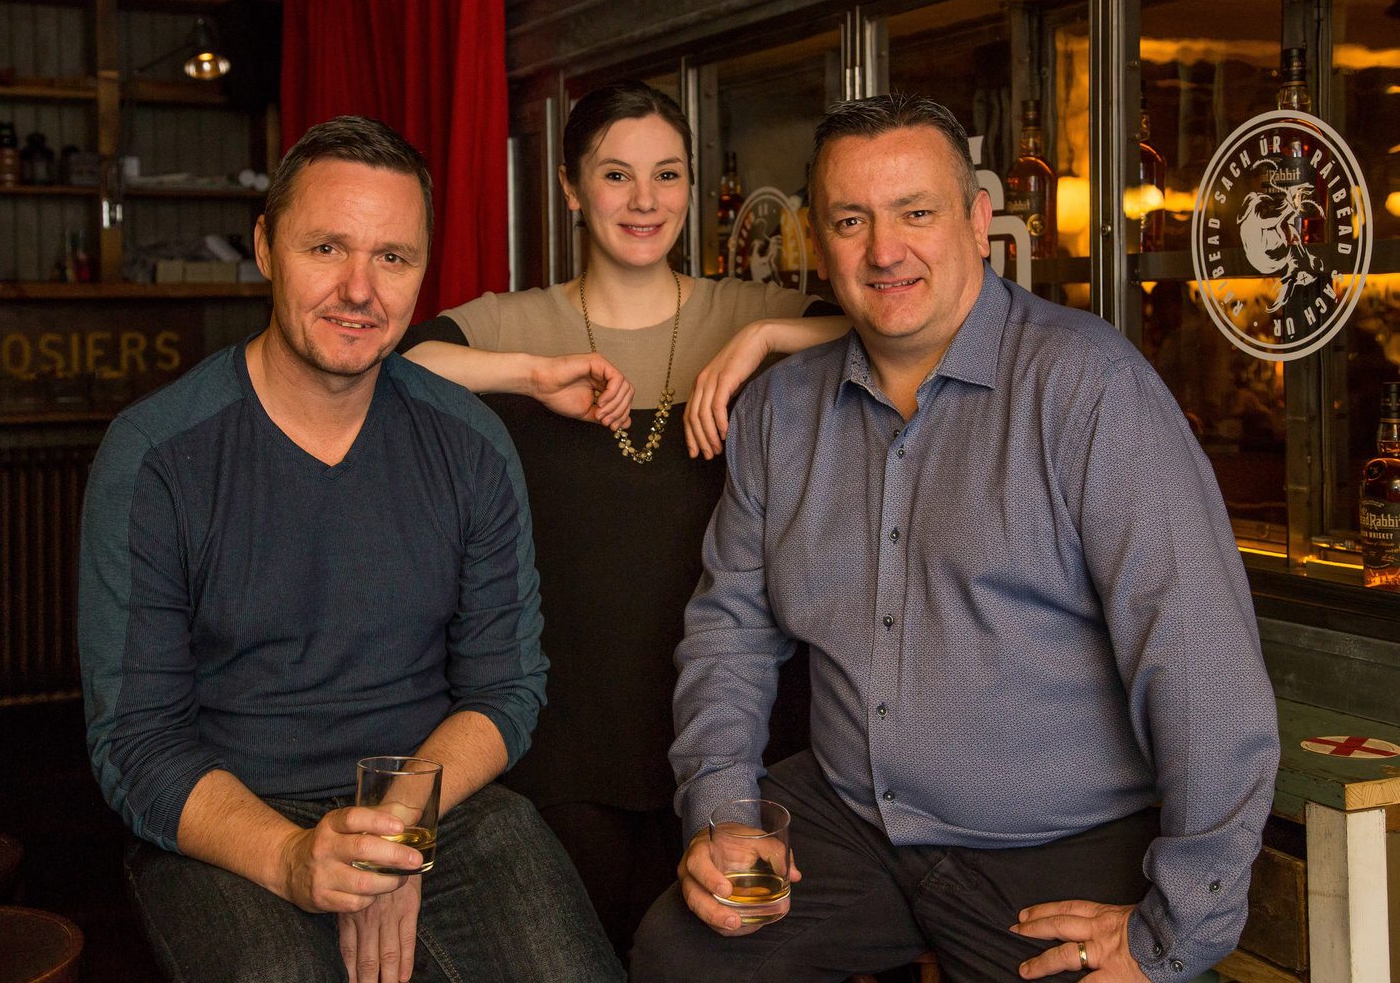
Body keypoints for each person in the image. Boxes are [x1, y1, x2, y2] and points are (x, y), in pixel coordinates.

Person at [631, 93, 1279, 983]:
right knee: (681, 955)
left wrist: (1175, 927)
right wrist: (722, 809)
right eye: (851, 220)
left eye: (916, 212)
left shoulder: (1089, 389)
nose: (885, 250)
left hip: (1056, 846)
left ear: (980, 222)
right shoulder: (783, 410)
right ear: (817, 244)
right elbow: (729, 632)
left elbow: (1199, 661)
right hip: (849, 827)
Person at [77, 115, 623, 983]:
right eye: (327, 248)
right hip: (236, 822)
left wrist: (397, 828)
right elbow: (137, 742)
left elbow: (507, 686)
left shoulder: (471, 445)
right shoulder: (155, 457)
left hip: (436, 807)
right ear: (265, 247)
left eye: (393, 258)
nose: (359, 289)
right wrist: (297, 859)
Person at [399, 80, 848, 958]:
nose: (646, 200)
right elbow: (399, 363)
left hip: (733, 729)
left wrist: (762, 342)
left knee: (719, 962)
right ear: (570, 188)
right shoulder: (514, 324)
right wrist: (530, 374)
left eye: (668, 174)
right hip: (568, 735)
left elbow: (899, 324)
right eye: (616, 174)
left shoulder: (750, 312)